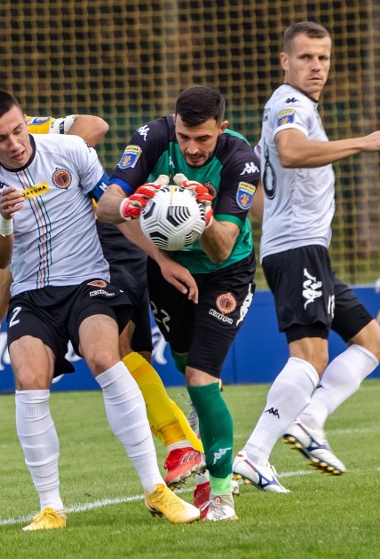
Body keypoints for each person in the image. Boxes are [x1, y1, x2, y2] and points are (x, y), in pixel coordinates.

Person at [0, 98, 206, 490]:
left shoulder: (29, 132)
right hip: (60, 267)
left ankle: (181, 445)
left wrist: (49, 169)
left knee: (116, 352)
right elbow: (10, 263)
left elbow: (95, 125)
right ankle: (179, 459)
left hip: (105, 241)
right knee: (127, 360)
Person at [232, 21, 380, 492]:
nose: (317, 67)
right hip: (297, 248)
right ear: (285, 61)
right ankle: (254, 454)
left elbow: (265, 189)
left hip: (301, 248)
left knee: (370, 342)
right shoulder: (290, 104)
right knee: (310, 357)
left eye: (323, 58)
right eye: (306, 57)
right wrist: (362, 142)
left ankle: (309, 418)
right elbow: (289, 153)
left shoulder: (293, 108)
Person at [97, 85, 262, 521]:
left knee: (200, 377)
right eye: (185, 136)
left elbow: (223, 246)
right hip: (168, 269)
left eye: (203, 139)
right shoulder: (152, 138)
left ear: (221, 130)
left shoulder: (240, 160)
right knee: (182, 360)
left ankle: (220, 491)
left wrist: (200, 213)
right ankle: (199, 433)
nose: (192, 147)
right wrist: (140, 204)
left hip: (225, 274)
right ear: (174, 123)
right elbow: (107, 206)